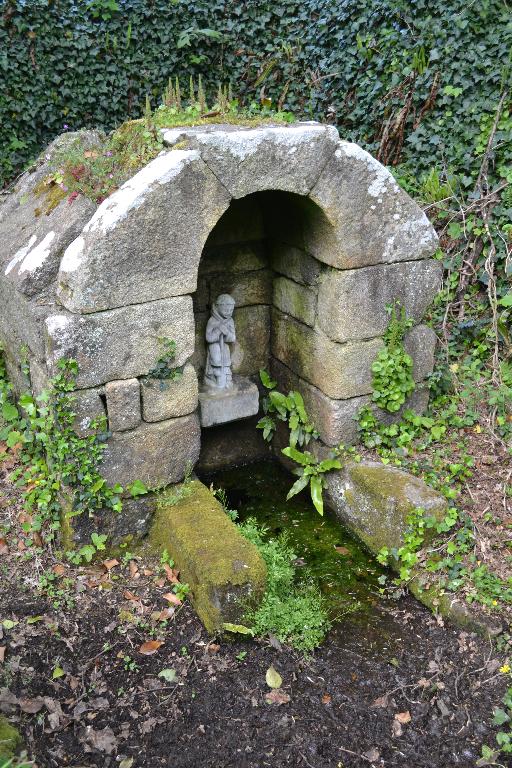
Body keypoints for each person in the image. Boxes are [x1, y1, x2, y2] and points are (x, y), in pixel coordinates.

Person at [204, 293, 236, 389]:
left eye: (231, 310)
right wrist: (218, 331)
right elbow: (209, 338)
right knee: (216, 355)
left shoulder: (230, 321)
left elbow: (233, 338)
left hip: (224, 345)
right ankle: (217, 377)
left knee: (226, 356)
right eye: (226, 310)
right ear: (217, 307)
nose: (229, 312)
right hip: (214, 345)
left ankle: (227, 377)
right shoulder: (212, 320)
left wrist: (227, 333)